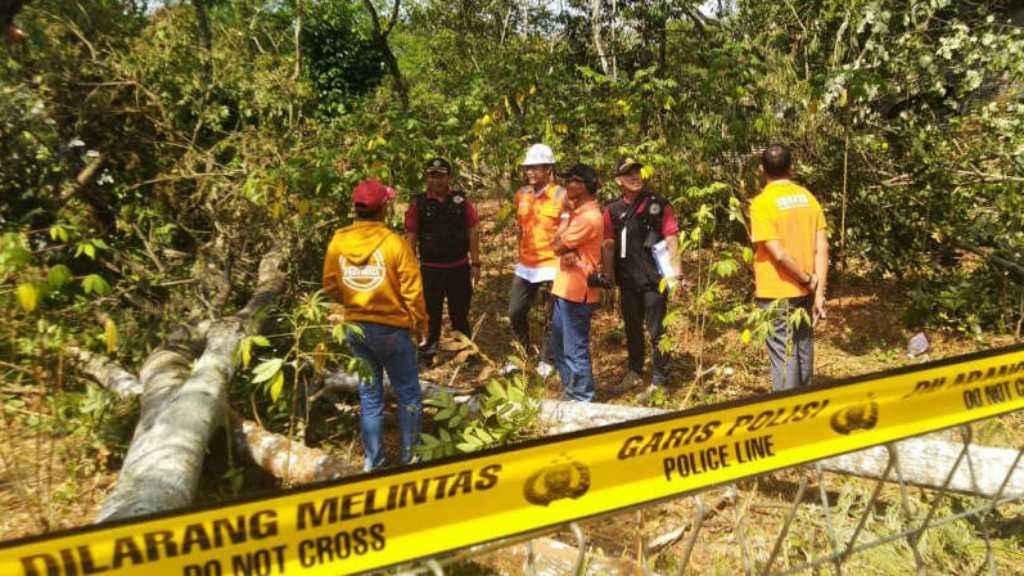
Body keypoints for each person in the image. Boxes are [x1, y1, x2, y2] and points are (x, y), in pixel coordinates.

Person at [323, 179, 428, 470]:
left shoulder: (339, 240)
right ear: (383, 208)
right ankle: (412, 459)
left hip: (356, 328)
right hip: (392, 329)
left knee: (369, 397)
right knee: (408, 394)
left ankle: (374, 462)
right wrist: (421, 324)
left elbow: (330, 283)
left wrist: (352, 299)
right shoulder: (395, 243)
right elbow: (412, 291)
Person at [750, 144, 828, 391]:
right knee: (803, 351)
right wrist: (818, 291)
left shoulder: (762, 203)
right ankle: (806, 410)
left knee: (784, 358)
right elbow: (822, 249)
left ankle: (787, 418)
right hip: (805, 292)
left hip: (776, 292)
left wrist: (806, 279)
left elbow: (779, 254)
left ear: (761, 170)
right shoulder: (808, 198)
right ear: (791, 168)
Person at [602, 157, 681, 398]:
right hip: (627, 280)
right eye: (628, 174)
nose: (635, 177)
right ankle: (635, 371)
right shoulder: (612, 209)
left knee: (657, 330)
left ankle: (660, 380)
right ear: (618, 180)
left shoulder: (658, 203)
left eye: (637, 172)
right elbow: (607, 244)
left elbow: (671, 237)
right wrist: (607, 277)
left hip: (655, 278)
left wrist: (677, 273)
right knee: (632, 328)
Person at [404, 157, 481, 365]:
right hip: (430, 269)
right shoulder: (418, 204)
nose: (436, 181)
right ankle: (428, 352)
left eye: (440, 176)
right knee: (430, 313)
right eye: (432, 176)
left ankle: (466, 351)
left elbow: (472, 230)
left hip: (458, 268)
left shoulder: (461, 201)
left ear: (449, 177)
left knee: (460, 312)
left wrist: (476, 262)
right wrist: (410, 268)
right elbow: (411, 236)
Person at [507, 143, 567, 376]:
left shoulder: (561, 195)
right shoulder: (521, 194)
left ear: (548, 168)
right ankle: (521, 355)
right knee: (515, 311)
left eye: (536, 167)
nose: (530, 172)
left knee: (551, 315)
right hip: (526, 266)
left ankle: (548, 359)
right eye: (528, 168)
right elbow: (521, 228)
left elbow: (566, 231)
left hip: (552, 265)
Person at [548, 163, 605, 402]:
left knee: (575, 350)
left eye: (572, 181)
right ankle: (571, 392)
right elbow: (556, 242)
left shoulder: (588, 217)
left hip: (578, 292)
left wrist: (563, 248)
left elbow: (557, 245)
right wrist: (562, 246)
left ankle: (582, 399)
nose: (566, 186)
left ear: (583, 186)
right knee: (560, 348)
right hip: (564, 289)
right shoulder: (575, 214)